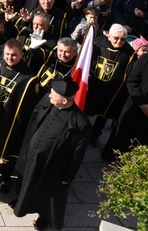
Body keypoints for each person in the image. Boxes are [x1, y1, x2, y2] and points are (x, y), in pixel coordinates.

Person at [13, 79, 91, 231]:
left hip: (51, 165)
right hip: (31, 155)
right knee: (25, 181)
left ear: (63, 99)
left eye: (53, 95)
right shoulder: (48, 101)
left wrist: (68, 176)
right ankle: (21, 203)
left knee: (47, 194)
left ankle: (45, 217)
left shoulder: (80, 123)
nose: (49, 96)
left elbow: (77, 154)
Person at [0, 39, 40, 194]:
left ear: (22, 55)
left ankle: (5, 176)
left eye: (14, 55)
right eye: (7, 54)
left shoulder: (29, 78)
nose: (10, 58)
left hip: (11, 122)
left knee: (9, 150)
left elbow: (30, 106)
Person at [103, 32, 148, 161]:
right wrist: (142, 104)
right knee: (124, 140)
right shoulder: (146, 59)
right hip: (136, 108)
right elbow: (132, 82)